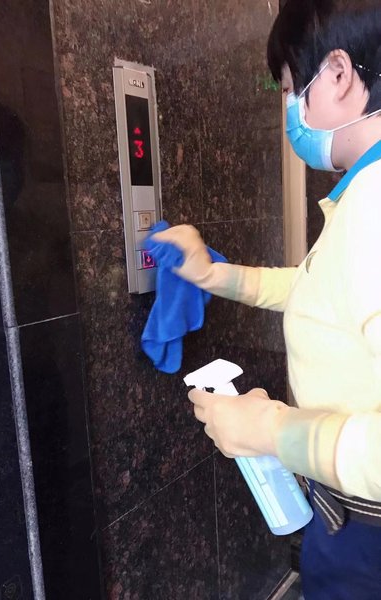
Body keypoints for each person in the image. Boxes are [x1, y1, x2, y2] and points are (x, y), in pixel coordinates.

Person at [150, 1, 381, 597]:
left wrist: (274, 431)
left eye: (289, 90)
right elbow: (323, 291)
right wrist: (215, 275)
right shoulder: (364, 195)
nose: (289, 112)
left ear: (339, 73)